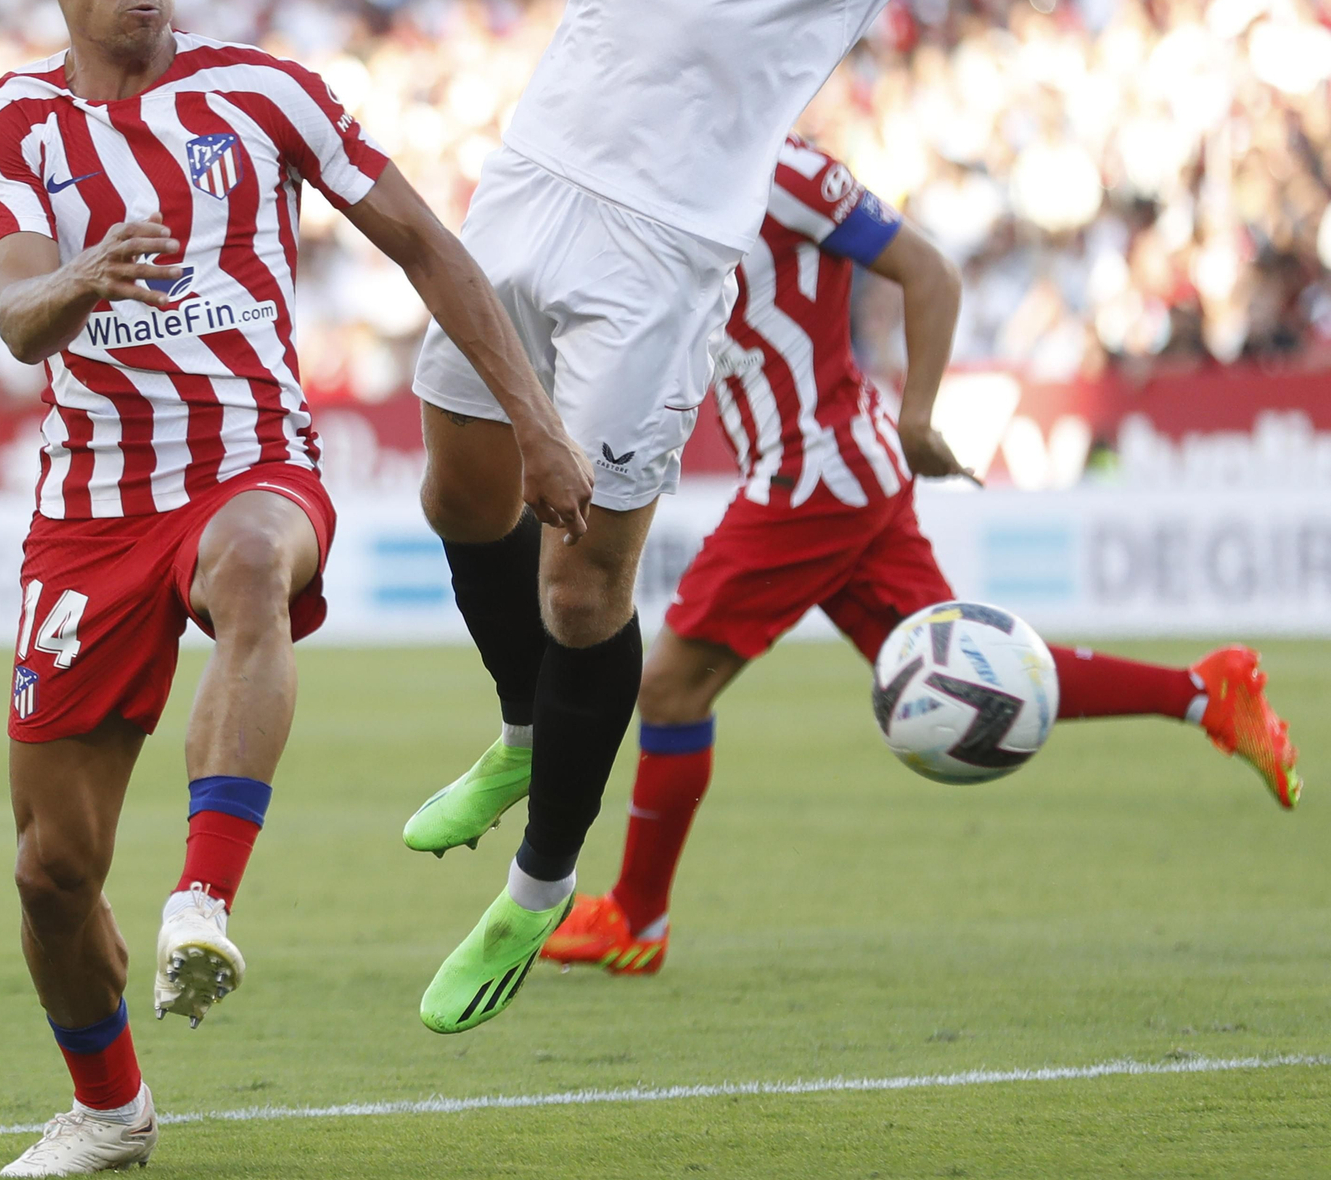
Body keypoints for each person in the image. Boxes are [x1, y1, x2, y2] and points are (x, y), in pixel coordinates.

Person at [404, 0, 1172, 1033]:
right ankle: (518, 732)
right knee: (459, 500)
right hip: (531, 181)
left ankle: (546, 885)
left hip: (671, 246)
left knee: (587, 584)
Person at [0, 0, 590, 1177]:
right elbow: (16, 310)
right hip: (91, 510)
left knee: (253, 562)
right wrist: (80, 280)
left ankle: (205, 895)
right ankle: (114, 1109)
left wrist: (535, 422)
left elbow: (428, 243)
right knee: (49, 872)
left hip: (251, 461)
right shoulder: (7, 122)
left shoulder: (267, 93)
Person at [542, 139, 1301, 975]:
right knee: (981, 675)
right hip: (837, 470)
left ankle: (637, 920)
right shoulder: (669, 172)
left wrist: (919, 415)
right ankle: (1203, 692)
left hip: (817, 471)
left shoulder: (783, 170)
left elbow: (931, 270)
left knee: (671, 685)